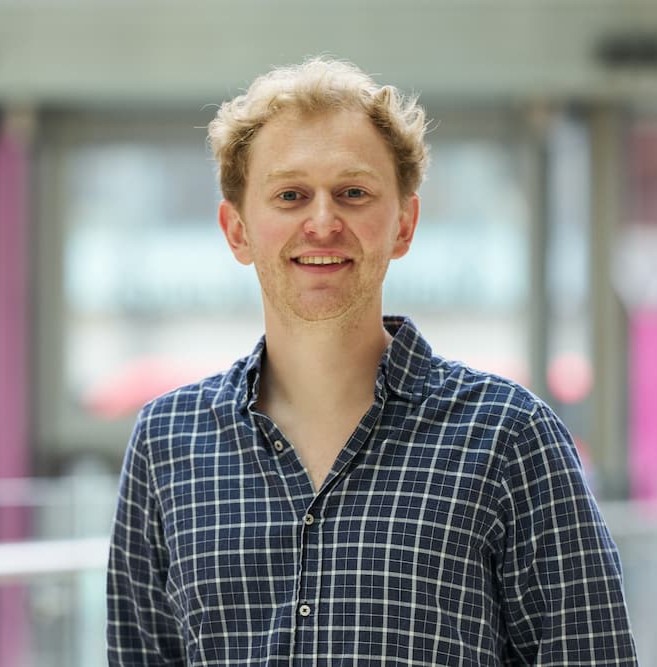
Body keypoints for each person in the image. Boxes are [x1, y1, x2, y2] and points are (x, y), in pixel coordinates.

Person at [106, 57, 638, 665]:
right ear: (237, 231)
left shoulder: (510, 437)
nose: (324, 221)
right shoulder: (166, 441)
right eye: (290, 195)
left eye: (354, 193)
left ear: (405, 223)